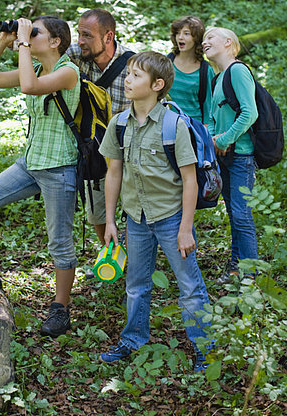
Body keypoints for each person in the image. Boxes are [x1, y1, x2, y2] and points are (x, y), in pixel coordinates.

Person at [0, 16, 80, 338]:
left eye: (36, 32)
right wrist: (4, 40)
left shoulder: (68, 72)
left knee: (59, 243)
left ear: (55, 42)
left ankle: (60, 308)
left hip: (59, 168)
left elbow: (28, 88)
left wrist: (21, 42)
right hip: (31, 163)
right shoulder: (34, 68)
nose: (29, 36)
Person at [0, 8, 133, 247]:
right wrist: (3, 38)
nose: (80, 41)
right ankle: (109, 256)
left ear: (108, 37)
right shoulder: (78, 54)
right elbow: (44, 50)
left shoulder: (132, 64)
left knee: (134, 207)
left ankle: (139, 256)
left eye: (87, 35)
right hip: (95, 147)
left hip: (128, 144)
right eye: (78, 34)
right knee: (97, 211)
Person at [98, 51, 211, 370]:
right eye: (128, 74)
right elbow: (113, 173)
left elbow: (190, 180)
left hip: (172, 219)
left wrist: (185, 228)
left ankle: (204, 347)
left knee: (189, 287)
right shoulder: (119, 123)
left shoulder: (174, 124)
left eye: (135, 75)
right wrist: (109, 220)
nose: (127, 80)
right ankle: (134, 338)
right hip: (135, 220)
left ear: (157, 84)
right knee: (135, 285)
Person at [202, 27, 258, 284]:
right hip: (224, 155)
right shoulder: (218, 77)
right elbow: (213, 117)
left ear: (228, 43)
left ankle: (251, 275)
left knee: (241, 213)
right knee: (235, 213)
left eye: (210, 38)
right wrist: (214, 139)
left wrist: (224, 139)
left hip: (241, 156)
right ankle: (236, 267)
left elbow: (250, 113)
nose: (204, 42)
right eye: (203, 40)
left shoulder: (238, 71)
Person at [168, 16, 214, 124]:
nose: (180, 37)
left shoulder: (205, 71)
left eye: (186, 33)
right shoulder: (166, 62)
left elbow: (210, 107)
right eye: (178, 33)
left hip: (193, 129)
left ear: (196, 38)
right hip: (166, 127)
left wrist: (205, 133)